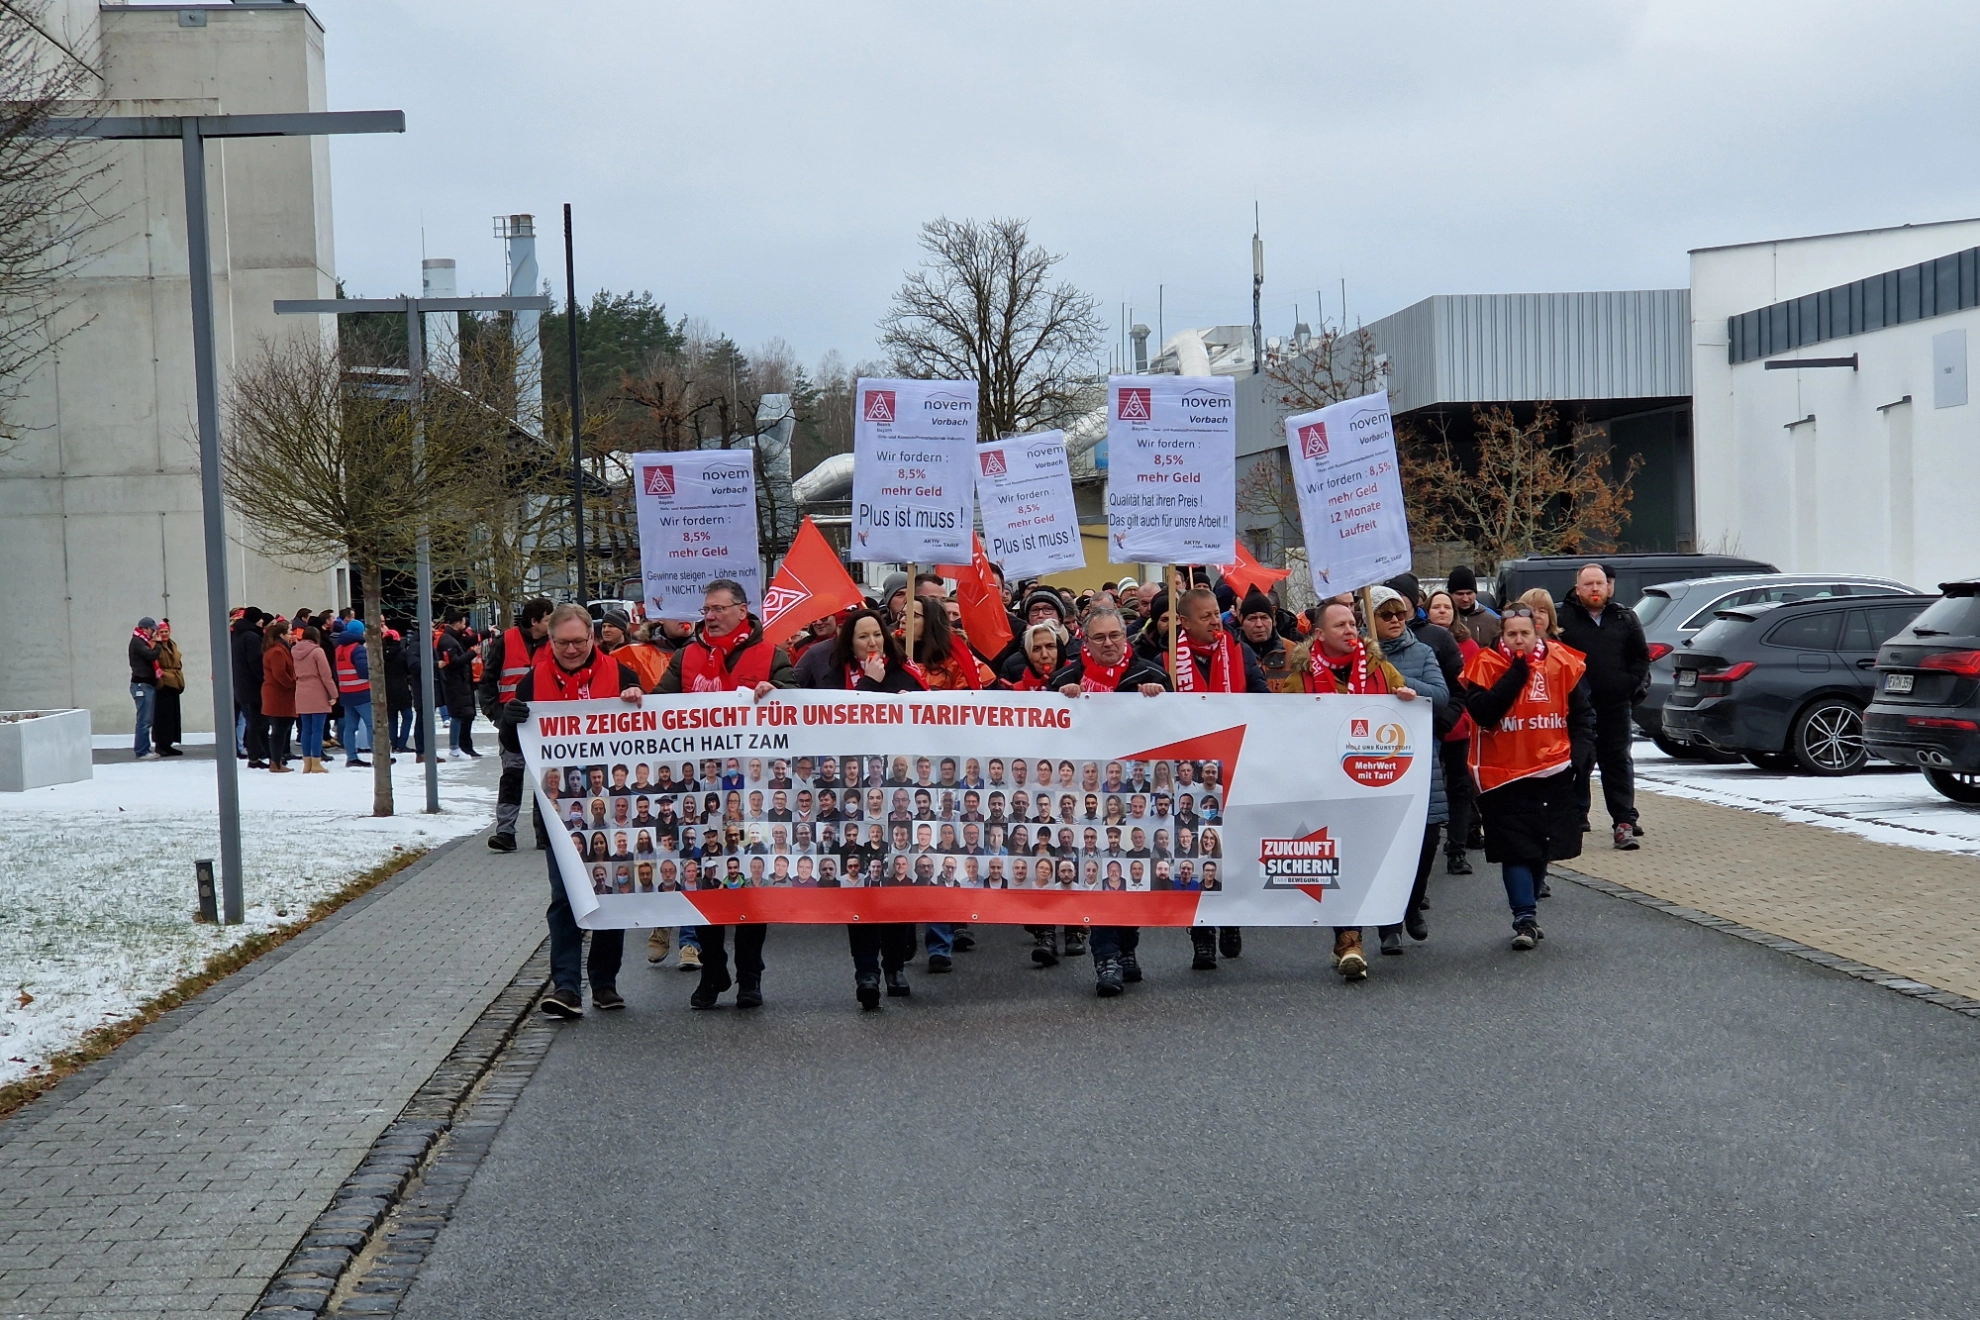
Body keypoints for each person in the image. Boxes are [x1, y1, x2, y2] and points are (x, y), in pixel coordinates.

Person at [502, 603, 645, 1018]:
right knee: (564, 898)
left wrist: (639, 700)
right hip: (556, 811)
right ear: (549, 641)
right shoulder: (533, 682)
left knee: (611, 893)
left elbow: (649, 735)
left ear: (592, 637)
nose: (570, 649)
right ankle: (565, 987)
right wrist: (510, 720)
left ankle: (604, 983)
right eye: (562, 642)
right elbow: (514, 745)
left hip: (613, 808)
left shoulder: (622, 675)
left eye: (578, 641)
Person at [658, 579, 796, 1009]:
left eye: (718, 609)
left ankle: (750, 975)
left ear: (741, 610)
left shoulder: (771, 655)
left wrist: (780, 693)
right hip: (701, 795)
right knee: (706, 884)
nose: (711, 617)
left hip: (752, 793)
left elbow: (798, 704)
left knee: (752, 884)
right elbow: (659, 706)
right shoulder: (686, 657)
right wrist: (636, 699)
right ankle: (713, 969)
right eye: (706, 610)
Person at [798, 607, 925, 1009]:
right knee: (861, 887)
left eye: (876, 635)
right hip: (852, 802)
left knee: (896, 883)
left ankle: (895, 966)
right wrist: (869, 684)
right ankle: (866, 972)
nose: (871, 642)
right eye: (863, 636)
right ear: (849, 644)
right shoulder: (833, 681)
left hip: (895, 800)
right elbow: (831, 725)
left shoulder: (905, 675)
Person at [1046, 605, 1168, 996]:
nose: (1109, 643)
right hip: (1087, 801)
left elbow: (1175, 731)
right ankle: (1106, 958)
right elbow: (1044, 739)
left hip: (1136, 796)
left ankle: (1127, 945)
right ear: (1086, 641)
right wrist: (1062, 703)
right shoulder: (1065, 679)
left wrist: (1159, 700)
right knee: (1098, 875)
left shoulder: (1150, 675)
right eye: (1099, 637)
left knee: (1131, 873)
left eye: (1115, 635)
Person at [1295, 598, 1419, 980]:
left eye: (1352, 623)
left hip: (1374, 784)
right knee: (1341, 862)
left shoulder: (1380, 666)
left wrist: (1406, 699)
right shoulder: (1300, 678)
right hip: (1328, 789)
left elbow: (1405, 707)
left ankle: (1379, 925)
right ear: (1319, 634)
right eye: (1340, 625)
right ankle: (1350, 941)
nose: (1350, 630)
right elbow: (1286, 730)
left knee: (1371, 860)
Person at [1461, 606, 1596, 949]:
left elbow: (1581, 715)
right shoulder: (1485, 664)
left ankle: (1529, 907)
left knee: (1541, 847)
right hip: (1502, 776)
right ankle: (1524, 917)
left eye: (1525, 633)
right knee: (1515, 850)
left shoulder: (1561, 661)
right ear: (1502, 636)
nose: (1519, 640)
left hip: (1553, 771)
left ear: (1537, 633)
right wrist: (1516, 674)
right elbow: (1483, 713)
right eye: (1512, 634)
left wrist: (1579, 758)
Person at [1169, 585, 1266, 970]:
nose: (1215, 621)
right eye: (1206, 616)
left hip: (1235, 765)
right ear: (1184, 622)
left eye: (1216, 613)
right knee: (1195, 852)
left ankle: (1230, 919)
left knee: (1233, 850)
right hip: (1187, 773)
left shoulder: (1240, 652)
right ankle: (1202, 934)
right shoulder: (1166, 658)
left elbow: (1263, 700)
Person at [1362, 587, 1448, 955]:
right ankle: (1389, 924)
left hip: (1417, 760)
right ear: (1370, 619)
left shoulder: (1421, 652)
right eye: (1387, 615)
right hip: (1372, 761)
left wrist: (1402, 683)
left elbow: (1441, 695)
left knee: (1426, 842)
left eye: (1401, 613)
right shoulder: (1359, 655)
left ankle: (1413, 903)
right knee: (1385, 844)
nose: (1396, 620)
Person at [1557, 563, 1649, 852]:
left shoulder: (1624, 618)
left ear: (1608, 587)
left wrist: (1628, 685)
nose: (1595, 589)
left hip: (1615, 706)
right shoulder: (1562, 619)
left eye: (1600, 583)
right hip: (1576, 709)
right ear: (1577, 588)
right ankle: (1573, 819)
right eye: (1588, 584)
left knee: (1617, 762)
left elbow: (1640, 657)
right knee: (1576, 763)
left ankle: (1623, 823)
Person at [478, 598, 554, 852]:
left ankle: (545, 835)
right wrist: (496, 715)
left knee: (546, 780)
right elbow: (488, 679)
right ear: (534, 621)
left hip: (545, 725)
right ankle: (505, 833)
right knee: (511, 777)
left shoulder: (556, 642)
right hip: (512, 723)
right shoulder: (506, 641)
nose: (552, 623)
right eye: (548, 619)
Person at [1426, 590, 1480, 873]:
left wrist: (1467, 718)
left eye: (1447, 607)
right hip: (1428, 729)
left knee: (1460, 788)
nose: (1442, 611)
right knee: (1432, 791)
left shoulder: (1468, 645)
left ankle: (1457, 850)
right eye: (1436, 606)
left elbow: (1474, 686)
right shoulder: (1420, 641)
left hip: (1459, 727)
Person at [292, 624, 336, 773]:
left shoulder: (294, 651)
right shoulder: (317, 651)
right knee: (317, 729)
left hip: (301, 689)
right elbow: (326, 675)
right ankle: (316, 762)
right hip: (317, 690)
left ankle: (307, 763)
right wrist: (333, 693)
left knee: (306, 729)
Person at [333, 617, 375, 769]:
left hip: (346, 692)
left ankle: (351, 757)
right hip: (362, 692)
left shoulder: (339, 649)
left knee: (350, 728)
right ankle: (379, 756)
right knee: (372, 725)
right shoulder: (358, 649)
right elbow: (364, 671)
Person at [437, 611, 479, 760]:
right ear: (457, 623)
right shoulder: (448, 641)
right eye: (463, 622)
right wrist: (472, 654)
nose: (465, 625)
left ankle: (462, 746)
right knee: (458, 715)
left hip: (459, 682)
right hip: (456, 683)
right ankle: (456, 747)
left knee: (463, 715)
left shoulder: (453, 638)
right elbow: (454, 662)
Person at [1236, 587, 1297, 689]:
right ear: (1241, 621)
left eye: (1264, 617)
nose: (1259, 624)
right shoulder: (1231, 653)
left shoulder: (1293, 652)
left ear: (1273, 620)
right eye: (1252, 618)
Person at [232, 607, 268, 768]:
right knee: (256, 723)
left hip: (242, 685)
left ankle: (257, 753)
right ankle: (255, 756)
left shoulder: (238, 635)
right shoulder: (251, 637)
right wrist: (264, 679)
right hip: (253, 687)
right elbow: (256, 662)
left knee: (252, 722)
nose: (262, 622)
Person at [260, 618, 297, 772]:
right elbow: (279, 673)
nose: (292, 634)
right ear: (282, 635)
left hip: (279, 693)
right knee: (279, 729)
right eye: (289, 632)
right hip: (278, 694)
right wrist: (292, 684)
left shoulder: (279, 649)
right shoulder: (277, 651)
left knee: (281, 728)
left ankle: (276, 761)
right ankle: (275, 762)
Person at [151, 619, 185, 757]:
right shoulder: (156, 645)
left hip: (174, 682)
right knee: (162, 716)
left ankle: (169, 743)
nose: (164, 634)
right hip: (164, 683)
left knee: (172, 715)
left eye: (166, 631)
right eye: (162, 632)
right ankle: (161, 744)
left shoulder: (172, 644)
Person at [128, 617, 161, 761]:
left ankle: (144, 748)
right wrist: (158, 644)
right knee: (144, 720)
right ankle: (142, 751)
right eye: (152, 629)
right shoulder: (137, 642)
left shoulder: (142, 641)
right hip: (142, 685)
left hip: (146, 684)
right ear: (144, 629)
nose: (154, 632)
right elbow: (151, 655)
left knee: (146, 719)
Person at [1448, 565, 1501, 649]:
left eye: (1469, 593)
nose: (1465, 599)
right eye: (1460, 594)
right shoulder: (1444, 619)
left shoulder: (1493, 621)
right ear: (1450, 594)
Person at [1006, 621, 1067, 692]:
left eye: (1050, 646)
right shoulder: (1017, 691)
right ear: (1028, 656)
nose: (1044, 655)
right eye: (1036, 649)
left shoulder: (1077, 682)